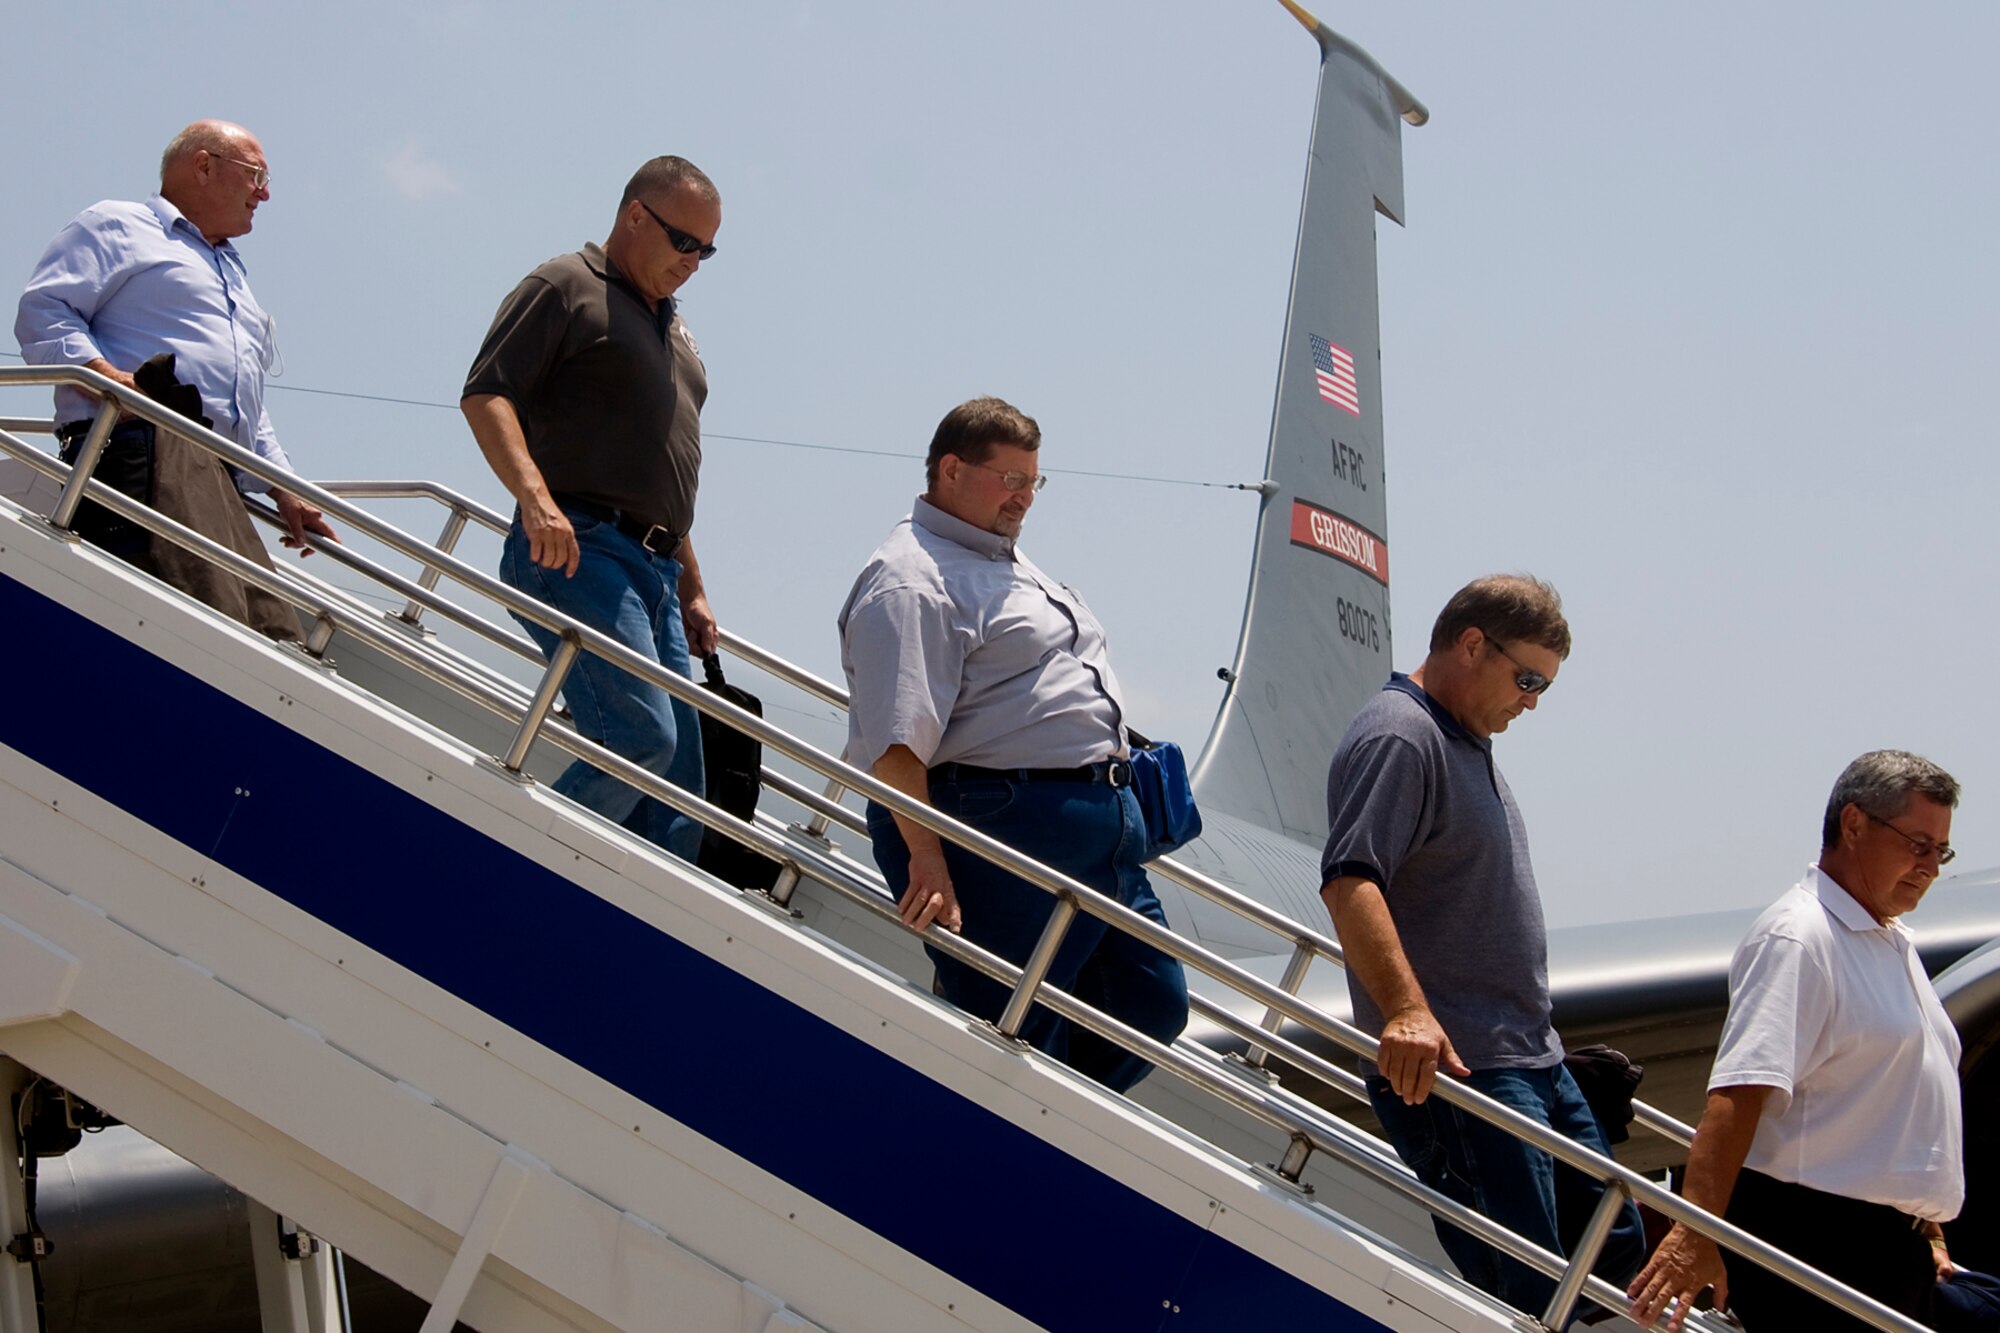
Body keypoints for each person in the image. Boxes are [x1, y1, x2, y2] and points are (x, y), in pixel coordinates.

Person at [837, 396, 1188, 1093]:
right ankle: (1014, 1126)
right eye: (1011, 479)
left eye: (1035, 481)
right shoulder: (914, 576)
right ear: (951, 471)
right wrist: (927, 856)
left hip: (1092, 833)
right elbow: (897, 744)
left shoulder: (1007, 562)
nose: (1026, 497)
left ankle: (1044, 1117)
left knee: (1152, 1003)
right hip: (997, 827)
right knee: (1012, 1028)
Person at [1318, 575, 1645, 1316]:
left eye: (1544, 687)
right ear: (1472, 644)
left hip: (1534, 1059)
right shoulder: (1403, 733)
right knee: (1526, 1294)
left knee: (1614, 1261)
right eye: (1527, 678)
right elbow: (1350, 879)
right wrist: (1404, 1011)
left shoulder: (1464, 741)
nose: (1531, 700)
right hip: (1468, 1067)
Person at [1628, 750, 1965, 1332]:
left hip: (1886, 1251)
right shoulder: (1801, 937)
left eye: (1942, 851)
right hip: (1822, 1243)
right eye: (1918, 845)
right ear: (1854, 825)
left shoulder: (1888, 941)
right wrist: (1693, 1232)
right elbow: (1738, 1093)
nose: (1931, 867)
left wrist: (1923, 1221)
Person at [462, 156, 722, 861]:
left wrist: (692, 583)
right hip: (580, 545)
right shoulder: (565, 285)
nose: (695, 262)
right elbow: (487, 394)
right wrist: (536, 500)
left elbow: (662, 463)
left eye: (708, 249)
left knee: (681, 802)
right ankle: (500, 864)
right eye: (684, 242)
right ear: (636, 215)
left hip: (657, 573)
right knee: (642, 740)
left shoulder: (675, 328)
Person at [15, 119, 337, 635]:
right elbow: (45, 310)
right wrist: (107, 378)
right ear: (204, 166)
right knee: (195, 625)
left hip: (217, 482)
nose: (266, 193)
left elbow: (243, 402)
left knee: (266, 633)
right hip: (142, 452)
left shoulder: (233, 272)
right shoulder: (118, 224)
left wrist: (283, 487)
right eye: (257, 174)